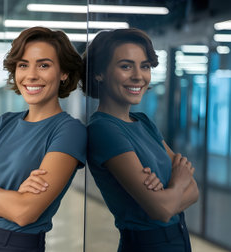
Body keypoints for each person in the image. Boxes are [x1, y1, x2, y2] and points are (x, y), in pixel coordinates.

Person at [0, 26, 162, 252]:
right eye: (23, 65)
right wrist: (13, 200)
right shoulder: (4, 122)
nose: (31, 75)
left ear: (63, 73)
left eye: (44, 65)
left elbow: (25, 214)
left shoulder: (69, 131)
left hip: (13, 245)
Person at [80, 28, 199, 251]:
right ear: (99, 73)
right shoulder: (103, 129)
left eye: (144, 66)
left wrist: (167, 193)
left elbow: (194, 191)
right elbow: (161, 210)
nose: (138, 76)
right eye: (125, 66)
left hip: (178, 240)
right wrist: (178, 181)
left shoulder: (143, 122)